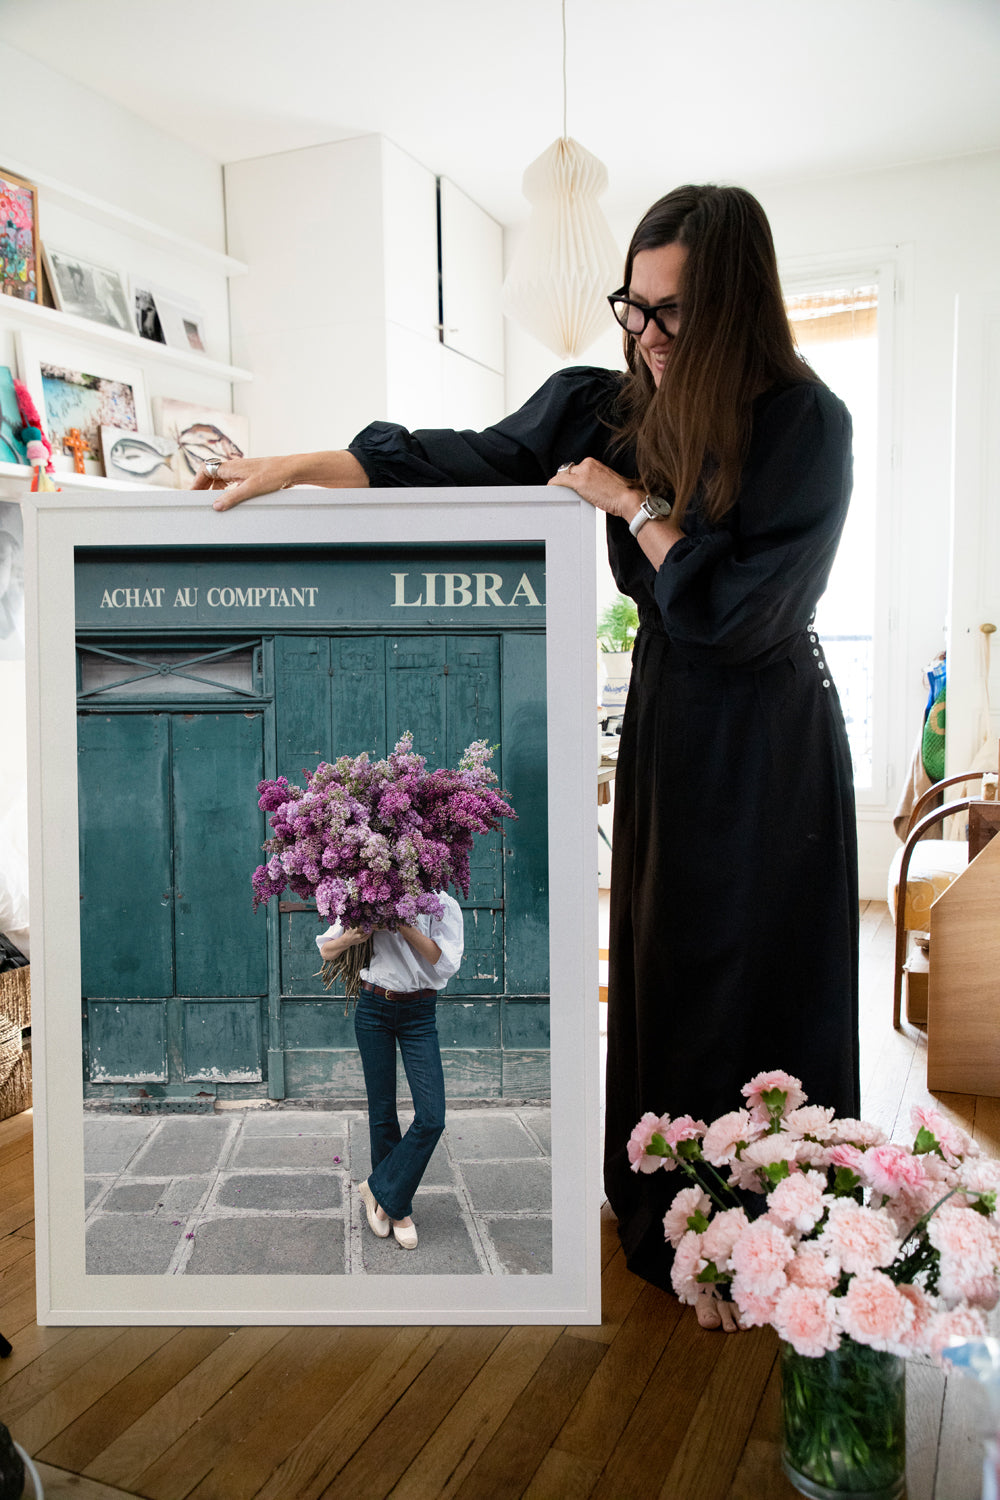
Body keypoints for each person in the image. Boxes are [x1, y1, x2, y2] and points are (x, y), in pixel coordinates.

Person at [195, 183, 860, 1318]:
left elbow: (735, 612)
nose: (644, 336)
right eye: (632, 306)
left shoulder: (807, 422)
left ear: (738, 306)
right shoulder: (607, 400)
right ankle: (672, 1209)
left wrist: (628, 502)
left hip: (770, 740)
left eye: (673, 313)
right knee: (668, 958)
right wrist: (299, 465)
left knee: (763, 962)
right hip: (669, 721)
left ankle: (782, 1218)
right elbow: (461, 458)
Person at [316, 893, 464, 1249]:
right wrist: (357, 934)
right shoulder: (367, 895)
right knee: (382, 1113)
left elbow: (444, 964)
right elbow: (327, 951)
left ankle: (376, 1187)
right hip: (373, 1009)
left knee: (432, 1117)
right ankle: (398, 1210)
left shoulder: (443, 903)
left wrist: (402, 924)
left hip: (419, 1013)